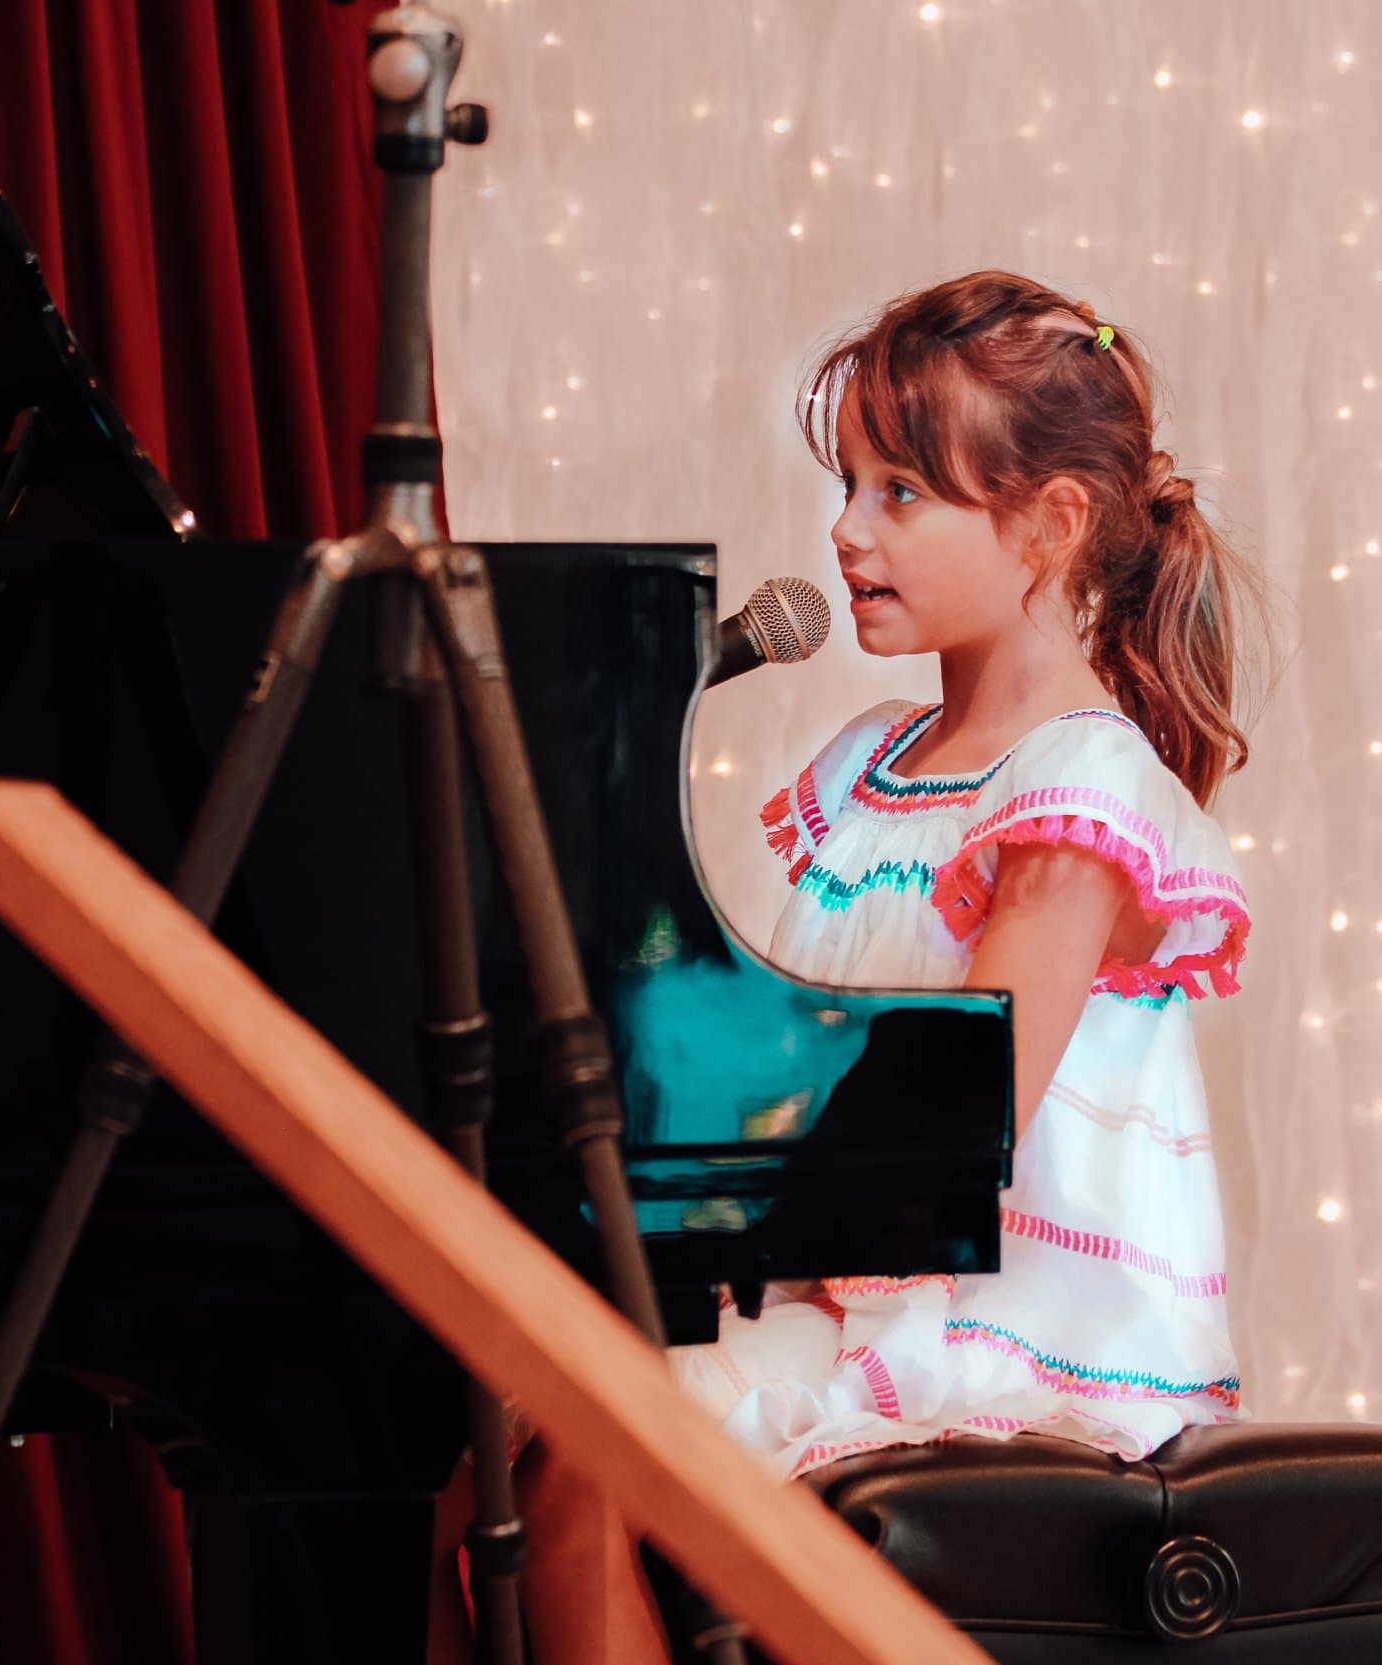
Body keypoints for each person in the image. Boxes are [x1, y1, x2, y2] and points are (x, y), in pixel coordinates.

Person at [512, 269, 1277, 1664]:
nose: (846, 528)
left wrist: (707, 1243)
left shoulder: (1076, 791)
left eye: (900, 492)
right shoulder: (867, 767)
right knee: (467, 1422)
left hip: (996, 1328)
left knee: (580, 1457)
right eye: (849, 484)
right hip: (832, 1282)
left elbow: (937, 1144)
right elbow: (780, 1050)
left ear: (1048, 525)